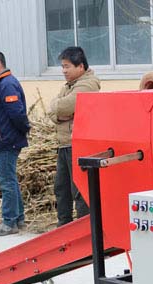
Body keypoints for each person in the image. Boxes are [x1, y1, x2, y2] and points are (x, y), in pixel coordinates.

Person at [48, 46, 101, 226]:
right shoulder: (68, 86)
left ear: (80, 66)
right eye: (62, 66)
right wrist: (59, 113)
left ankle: (84, 229)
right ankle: (63, 226)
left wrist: (59, 109)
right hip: (64, 144)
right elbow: (52, 110)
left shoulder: (89, 84)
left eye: (67, 66)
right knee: (61, 188)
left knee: (78, 189)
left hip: (78, 145)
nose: (64, 71)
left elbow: (64, 106)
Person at [0, 50, 30, 236]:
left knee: (7, 182)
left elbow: (17, 113)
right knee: (10, 180)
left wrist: (22, 131)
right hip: (4, 140)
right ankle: (18, 219)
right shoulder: (0, 84)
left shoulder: (7, 84)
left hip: (7, 142)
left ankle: (9, 222)